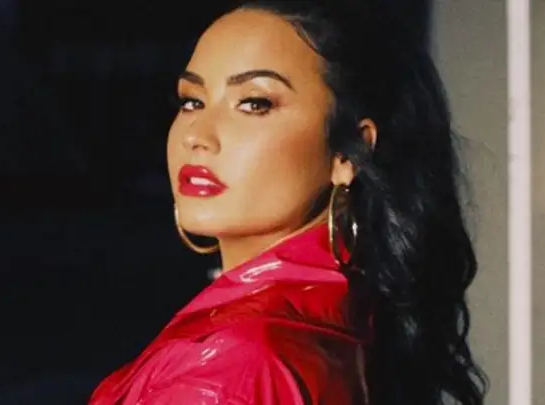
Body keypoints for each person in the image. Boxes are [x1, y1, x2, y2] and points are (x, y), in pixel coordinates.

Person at [89, 1, 487, 404]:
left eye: (254, 103)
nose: (197, 135)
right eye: (192, 100)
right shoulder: (352, 322)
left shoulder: (232, 367)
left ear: (348, 153)